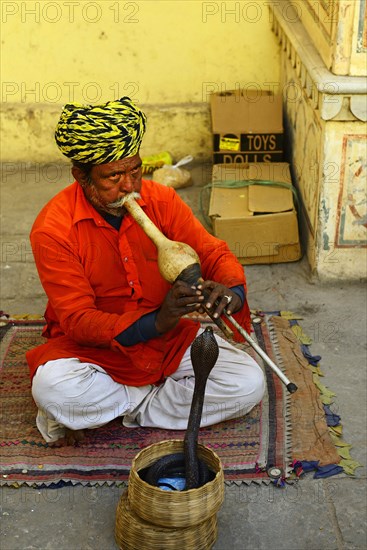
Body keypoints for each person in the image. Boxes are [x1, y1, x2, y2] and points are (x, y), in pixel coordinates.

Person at [27, 96, 265, 445]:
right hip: (94, 350)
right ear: (81, 176)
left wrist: (232, 292)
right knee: (54, 390)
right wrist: (158, 320)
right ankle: (158, 402)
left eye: (135, 171)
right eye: (113, 176)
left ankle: (119, 408)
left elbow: (212, 251)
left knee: (247, 382)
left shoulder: (161, 200)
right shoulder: (53, 229)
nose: (129, 186)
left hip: (166, 341)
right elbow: (78, 319)